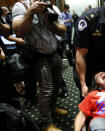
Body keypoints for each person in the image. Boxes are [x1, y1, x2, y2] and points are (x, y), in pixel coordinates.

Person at [12, 0, 67, 131]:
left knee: (57, 84)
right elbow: (18, 31)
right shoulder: (21, 6)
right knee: (46, 90)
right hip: (38, 57)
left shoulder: (52, 7)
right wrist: (31, 12)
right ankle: (46, 123)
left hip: (54, 53)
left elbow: (63, 31)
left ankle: (52, 108)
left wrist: (49, 21)